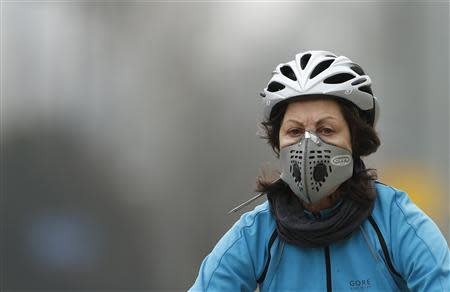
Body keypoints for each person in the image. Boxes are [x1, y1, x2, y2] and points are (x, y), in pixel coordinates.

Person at [189, 50, 450, 291]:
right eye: (294, 131)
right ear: (277, 143)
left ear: (355, 140)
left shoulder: (395, 221)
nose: (308, 145)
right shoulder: (256, 233)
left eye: (326, 130)